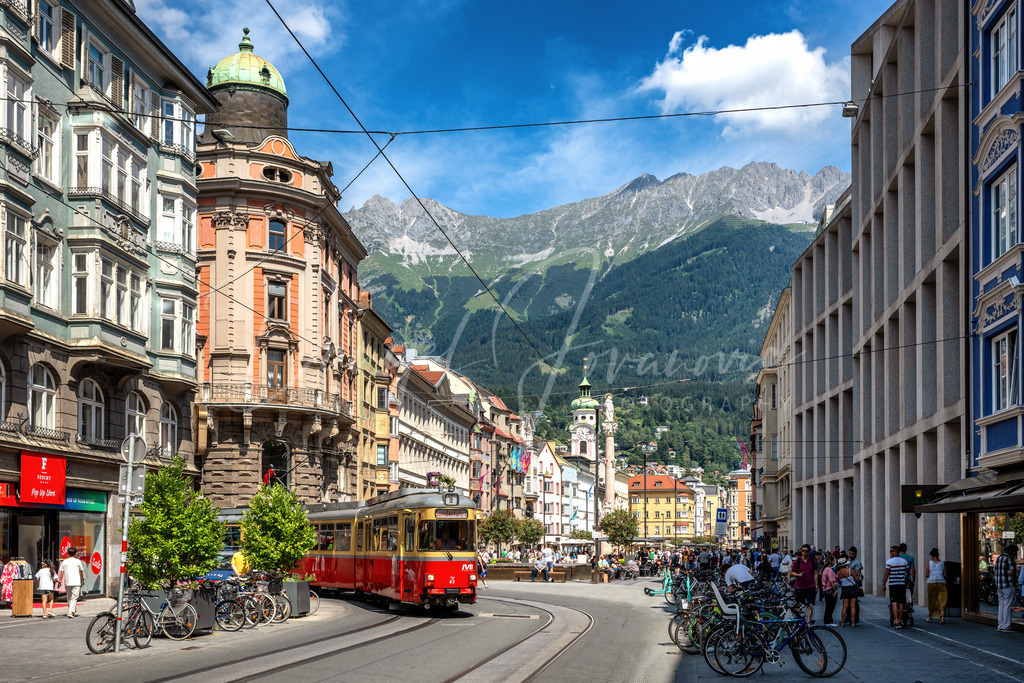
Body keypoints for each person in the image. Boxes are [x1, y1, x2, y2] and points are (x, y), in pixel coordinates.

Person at [882, 545, 910, 628]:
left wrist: (884, 584)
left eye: (891, 551)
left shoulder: (889, 562)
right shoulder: (904, 561)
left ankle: (896, 621)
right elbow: (908, 572)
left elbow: (886, 574)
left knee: (894, 602)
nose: (890, 552)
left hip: (893, 584)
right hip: (901, 584)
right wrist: (904, 578)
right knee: (901, 602)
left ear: (895, 552)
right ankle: (900, 621)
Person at [790, 544, 818, 623]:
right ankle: (800, 622)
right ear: (801, 551)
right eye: (803, 551)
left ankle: (808, 622)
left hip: (810, 586)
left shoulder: (813, 561)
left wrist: (816, 585)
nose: (804, 552)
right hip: (800, 586)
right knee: (799, 606)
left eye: (806, 551)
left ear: (809, 552)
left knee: (810, 605)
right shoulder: (797, 561)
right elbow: (792, 572)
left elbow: (815, 573)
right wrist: (798, 575)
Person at [994, 544, 1018, 632]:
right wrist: (1014, 583)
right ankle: (1006, 626)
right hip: (1008, 584)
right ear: (1012, 551)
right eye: (1015, 552)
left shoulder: (999, 558)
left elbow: (995, 570)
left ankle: (1000, 625)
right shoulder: (1010, 558)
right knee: (1008, 605)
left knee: (1002, 605)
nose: (1016, 554)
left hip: (999, 585)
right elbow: (1011, 572)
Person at [57, 547, 86, 619]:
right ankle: (70, 611)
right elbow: (80, 571)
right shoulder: (78, 561)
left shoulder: (65, 561)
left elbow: (61, 572)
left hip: (68, 581)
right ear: (75, 553)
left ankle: (72, 610)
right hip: (76, 581)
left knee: (69, 597)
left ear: (68, 553)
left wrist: (60, 580)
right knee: (74, 597)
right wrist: (81, 579)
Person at [925, 547, 946, 624]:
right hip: (941, 582)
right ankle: (942, 617)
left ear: (931, 555)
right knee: (942, 600)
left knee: (932, 600)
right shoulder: (942, 563)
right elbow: (945, 574)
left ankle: (930, 617)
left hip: (931, 582)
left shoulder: (929, 563)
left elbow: (927, 575)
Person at [836, 557, 860, 627]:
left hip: (845, 589)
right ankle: (853, 623)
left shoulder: (839, 572)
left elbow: (839, 581)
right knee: (853, 606)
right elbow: (857, 579)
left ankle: (843, 622)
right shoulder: (850, 570)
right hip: (852, 589)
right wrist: (858, 573)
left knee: (845, 606)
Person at [820, 554, 839, 626]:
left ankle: (827, 620)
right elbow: (831, 582)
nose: (834, 562)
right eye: (833, 561)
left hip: (825, 589)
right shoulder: (830, 570)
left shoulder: (824, 570)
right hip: (830, 589)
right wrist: (835, 590)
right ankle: (828, 621)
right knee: (831, 606)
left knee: (828, 606)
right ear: (830, 561)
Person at [847, 546, 864, 626]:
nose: (851, 555)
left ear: (856, 554)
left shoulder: (857, 562)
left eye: (852, 554)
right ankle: (850, 618)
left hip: (854, 583)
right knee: (850, 602)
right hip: (849, 583)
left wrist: (856, 584)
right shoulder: (849, 561)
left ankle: (856, 619)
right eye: (850, 553)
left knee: (854, 602)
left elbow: (857, 573)